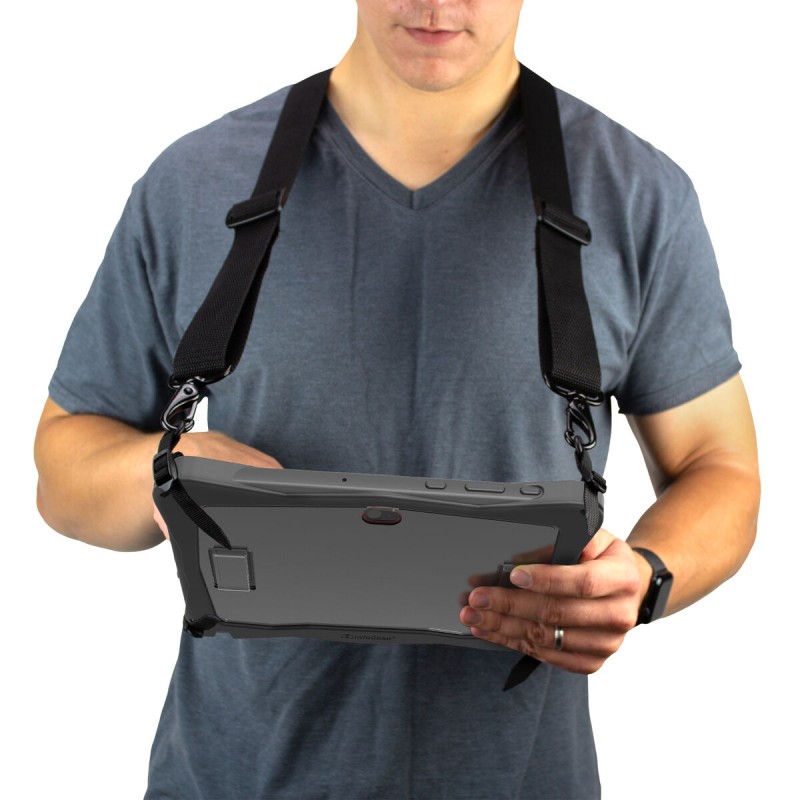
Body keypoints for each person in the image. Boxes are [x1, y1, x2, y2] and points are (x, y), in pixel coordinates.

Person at [34, 1, 760, 797]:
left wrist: (646, 576)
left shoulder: (636, 194)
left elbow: (719, 465)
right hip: (236, 775)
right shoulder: (196, 181)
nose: (437, 3)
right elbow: (64, 466)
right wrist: (167, 467)